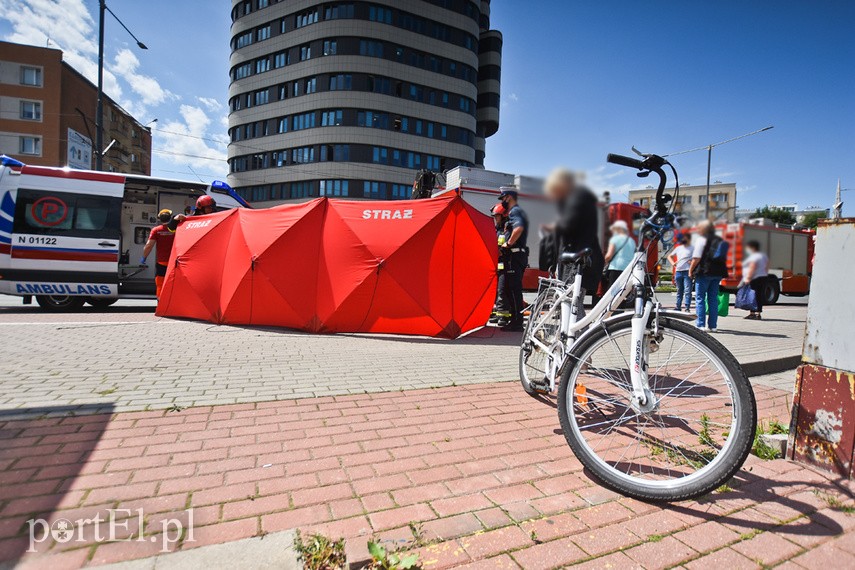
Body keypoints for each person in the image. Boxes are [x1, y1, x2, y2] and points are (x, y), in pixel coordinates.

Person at [543, 168, 605, 310]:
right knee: (573, 304)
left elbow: (569, 226)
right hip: (579, 260)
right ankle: (575, 331)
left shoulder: (577, 199)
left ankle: (578, 332)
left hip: (579, 262)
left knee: (572, 305)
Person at [497, 187, 529, 331]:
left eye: (503, 198)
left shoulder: (515, 211)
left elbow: (519, 228)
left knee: (514, 290)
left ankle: (517, 322)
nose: (502, 201)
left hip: (514, 256)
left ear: (508, 197)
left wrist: (508, 244)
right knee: (510, 289)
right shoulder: (515, 212)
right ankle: (514, 320)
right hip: (514, 257)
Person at [689, 220, 728, 331]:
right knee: (713, 299)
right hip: (718, 273)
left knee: (700, 298)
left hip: (704, 272)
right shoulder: (720, 240)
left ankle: (701, 325)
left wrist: (690, 270)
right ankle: (713, 326)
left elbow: (697, 257)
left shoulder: (701, 240)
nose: (698, 230)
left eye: (699, 228)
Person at [140, 209, 183, 298]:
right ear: (171, 218)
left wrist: (144, 257)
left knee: (160, 285)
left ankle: (160, 305)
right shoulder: (177, 229)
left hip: (162, 264)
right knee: (174, 285)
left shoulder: (156, 230)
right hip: (175, 263)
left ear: (159, 219)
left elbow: (149, 246)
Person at [490, 203, 512, 324]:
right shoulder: (497, 230)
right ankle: (497, 312)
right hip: (497, 264)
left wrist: (499, 250)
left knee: (502, 290)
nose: (495, 219)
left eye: (497, 216)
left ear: (503, 216)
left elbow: (506, 246)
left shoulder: (507, 229)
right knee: (496, 289)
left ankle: (504, 315)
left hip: (506, 264)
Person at [603, 220, 636, 289]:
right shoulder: (631, 240)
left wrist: (603, 263)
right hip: (629, 269)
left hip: (616, 267)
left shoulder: (615, 239)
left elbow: (609, 256)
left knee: (613, 290)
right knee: (624, 290)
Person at [741, 240, 769, 320]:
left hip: (755, 278)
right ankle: (758, 313)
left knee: (753, 295)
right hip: (763, 277)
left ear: (752, 248)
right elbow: (767, 267)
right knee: (760, 295)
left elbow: (752, 267)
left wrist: (748, 278)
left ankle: (752, 313)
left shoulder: (754, 256)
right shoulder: (763, 256)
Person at [671, 234, 694, 312]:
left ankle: (687, 307)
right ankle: (678, 306)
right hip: (678, 271)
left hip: (687, 271)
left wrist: (691, 262)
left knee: (687, 290)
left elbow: (696, 259)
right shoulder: (678, 248)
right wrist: (673, 263)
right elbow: (669, 256)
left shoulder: (692, 248)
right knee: (679, 290)